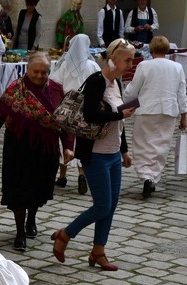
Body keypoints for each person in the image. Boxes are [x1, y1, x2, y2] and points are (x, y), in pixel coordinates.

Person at [50, 38, 136, 270]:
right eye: (127, 60)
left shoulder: (116, 83)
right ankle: (65, 235)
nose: (131, 64)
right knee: (102, 206)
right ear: (114, 59)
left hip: (113, 153)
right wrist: (120, 115)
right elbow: (89, 115)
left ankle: (99, 251)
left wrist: (124, 151)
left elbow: (118, 121)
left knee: (111, 205)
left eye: (132, 60)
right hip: (95, 154)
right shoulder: (97, 81)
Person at [0, 53, 73, 252]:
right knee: (19, 190)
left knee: (39, 188)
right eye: (35, 72)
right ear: (28, 70)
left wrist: (68, 146)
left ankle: (31, 219)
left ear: (49, 72)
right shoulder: (16, 89)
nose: (39, 76)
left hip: (46, 149)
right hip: (18, 146)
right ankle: (20, 233)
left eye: (44, 72)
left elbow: (65, 121)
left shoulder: (56, 90)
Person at [123, 35, 187, 197]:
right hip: (168, 110)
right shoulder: (177, 67)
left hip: (146, 109)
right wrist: (184, 115)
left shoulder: (144, 65)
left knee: (142, 144)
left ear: (151, 49)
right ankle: (153, 176)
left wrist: (123, 99)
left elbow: (133, 89)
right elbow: (181, 93)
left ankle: (146, 176)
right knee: (161, 145)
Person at [51, 33, 101, 193]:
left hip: (67, 106)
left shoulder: (64, 64)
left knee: (65, 140)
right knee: (82, 140)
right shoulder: (93, 66)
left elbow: (55, 84)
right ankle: (81, 174)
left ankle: (62, 176)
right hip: (86, 108)